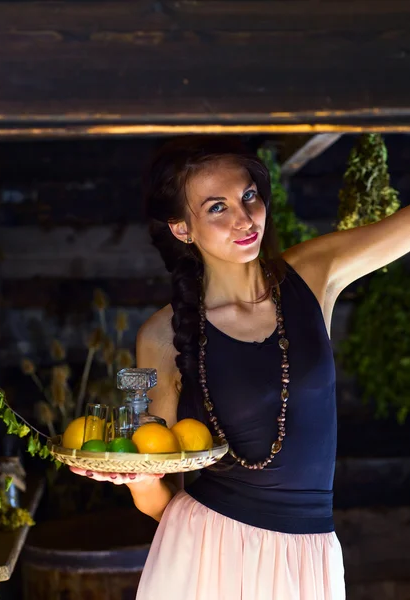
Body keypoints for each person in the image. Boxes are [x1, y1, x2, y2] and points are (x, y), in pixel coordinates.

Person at [71, 136, 410, 599]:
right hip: (209, 550)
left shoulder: (311, 275)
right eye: (216, 208)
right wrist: (139, 480)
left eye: (248, 196)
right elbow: (158, 488)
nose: (244, 219)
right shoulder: (161, 335)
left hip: (312, 553)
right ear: (181, 228)